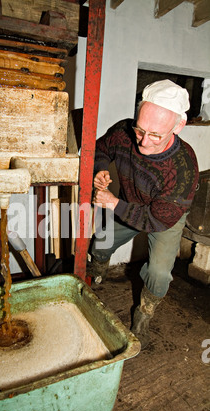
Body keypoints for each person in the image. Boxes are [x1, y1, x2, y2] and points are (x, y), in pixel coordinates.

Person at [89, 79, 199, 349]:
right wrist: (101, 169)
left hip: (164, 218)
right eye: (140, 130)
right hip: (129, 203)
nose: (143, 141)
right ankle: (96, 275)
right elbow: (100, 149)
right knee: (100, 241)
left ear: (178, 126)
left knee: (159, 273)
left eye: (155, 136)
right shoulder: (124, 131)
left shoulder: (183, 167)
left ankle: (143, 317)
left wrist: (114, 204)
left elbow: (157, 219)